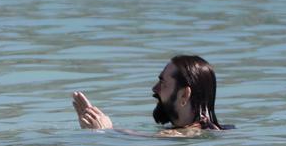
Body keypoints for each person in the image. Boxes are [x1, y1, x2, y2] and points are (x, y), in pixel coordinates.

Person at [73, 55, 232, 136]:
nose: (155, 89)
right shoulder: (207, 130)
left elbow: (151, 141)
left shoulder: (190, 133)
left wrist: (107, 131)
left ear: (184, 95)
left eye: (163, 83)